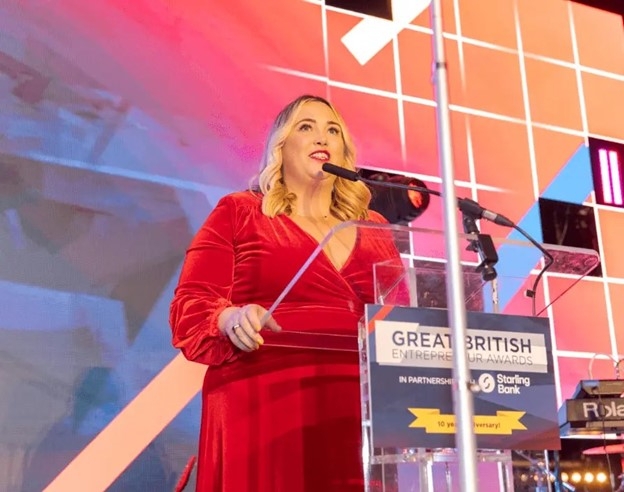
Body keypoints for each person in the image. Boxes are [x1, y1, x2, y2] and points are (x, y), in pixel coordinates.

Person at [169, 94, 402, 492]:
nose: (320, 136)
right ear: (281, 146)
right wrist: (230, 318)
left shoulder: (373, 227)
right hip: (262, 395)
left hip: (358, 405)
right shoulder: (240, 211)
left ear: (344, 152)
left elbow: (397, 316)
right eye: (305, 127)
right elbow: (191, 303)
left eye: (332, 130)